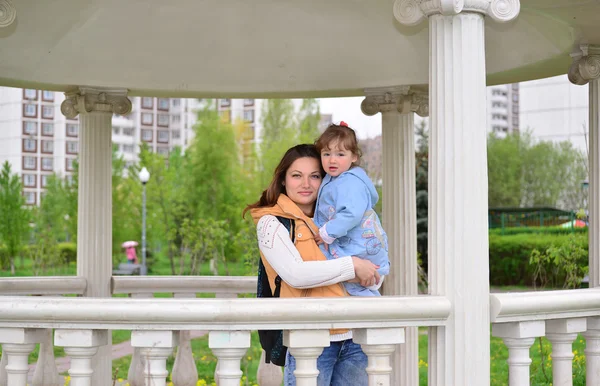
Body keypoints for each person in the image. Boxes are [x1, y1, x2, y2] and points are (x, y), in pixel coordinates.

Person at [244, 144, 378, 386]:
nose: (306, 183)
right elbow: (296, 274)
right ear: (283, 180)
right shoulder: (271, 223)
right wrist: (352, 266)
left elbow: (371, 265)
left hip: (354, 337)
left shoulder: (338, 222)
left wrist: (369, 271)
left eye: (315, 176)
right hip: (310, 340)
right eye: (296, 175)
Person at [314, 122, 390, 297]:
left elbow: (351, 213)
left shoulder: (350, 182)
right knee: (354, 287)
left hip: (358, 244)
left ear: (354, 156)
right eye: (326, 154)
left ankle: (374, 316)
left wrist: (327, 232)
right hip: (351, 242)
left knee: (356, 286)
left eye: (340, 154)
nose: (332, 160)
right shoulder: (336, 179)